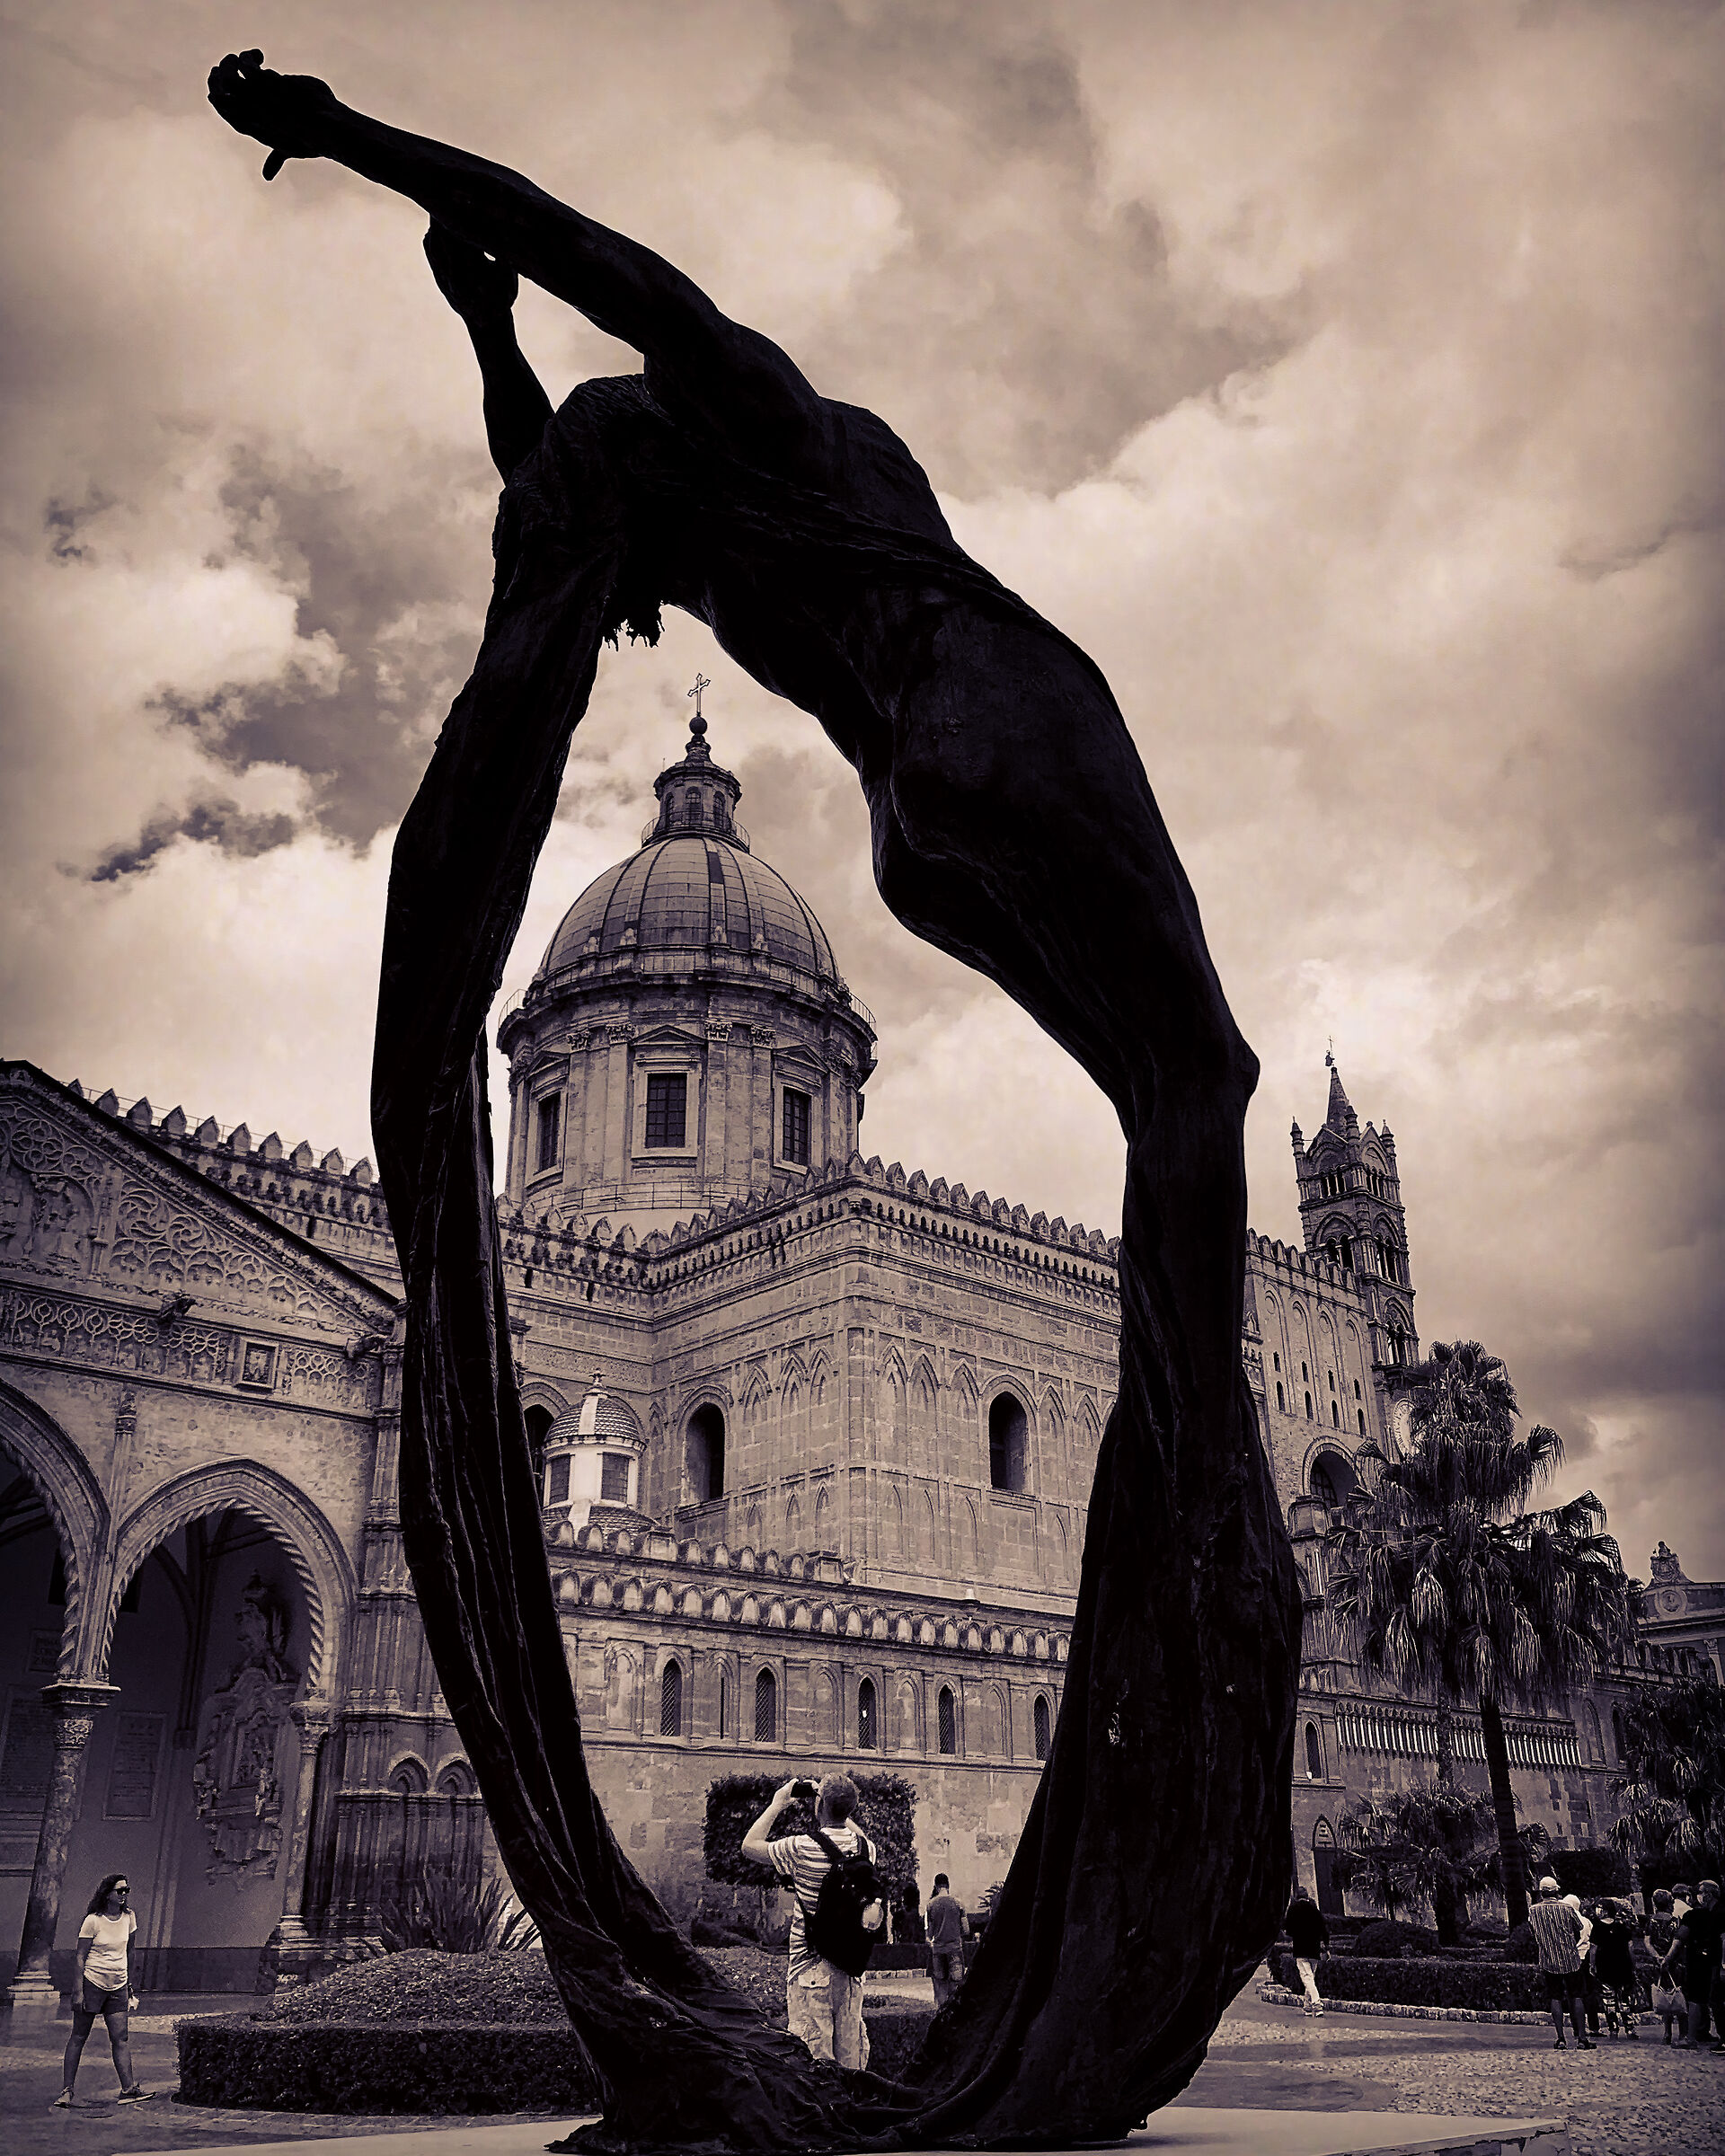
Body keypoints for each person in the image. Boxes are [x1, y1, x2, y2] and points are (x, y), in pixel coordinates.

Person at [741, 1774, 878, 2070]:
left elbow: (749, 1845)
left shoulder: (801, 1847)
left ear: (819, 1806)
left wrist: (779, 1803)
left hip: (810, 1969)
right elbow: (857, 1833)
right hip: (851, 1970)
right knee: (851, 2070)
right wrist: (830, 1799)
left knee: (814, 2070)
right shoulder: (867, 1850)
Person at [54, 1874, 151, 2107]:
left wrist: (129, 1985)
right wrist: (78, 1991)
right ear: (107, 1893)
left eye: (127, 1890)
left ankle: (128, 2089)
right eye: (120, 1891)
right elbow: (80, 1956)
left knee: (121, 2038)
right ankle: (67, 2091)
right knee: (79, 2036)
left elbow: (130, 1951)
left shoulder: (129, 1917)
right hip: (92, 1982)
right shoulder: (93, 1921)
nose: (124, 1895)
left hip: (118, 1985)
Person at [1526, 1875, 1594, 2050]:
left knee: (1555, 1997)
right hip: (1570, 1959)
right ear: (1557, 1890)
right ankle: (1582, 2038)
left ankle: (1561, 2038)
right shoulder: (1566, 1908)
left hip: (1548, 1959)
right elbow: (1579, 1929)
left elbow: (1533, 1932)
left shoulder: (1533, 1911)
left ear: (1541, 1892)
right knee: (1577, 1995)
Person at [1663, 1878, 1724, 2051]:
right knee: (1714, 2000)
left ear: (1708, 1895)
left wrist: (1667, 1959)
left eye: (1699, 1892)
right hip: (1715, 1962)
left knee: (1697, 1999)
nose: (1696, 1896)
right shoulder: (1718, 1912)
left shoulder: (1694, 1915)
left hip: (1699, 1962)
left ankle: (1691, 2037)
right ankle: (1706, 2032)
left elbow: (1679, 1939)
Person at [1590, 1899, 1641, 2037]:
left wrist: (1592, 1965)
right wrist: (1633, 1965)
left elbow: (1593, 1949)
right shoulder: (1623, 1927)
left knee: (1609, 1999)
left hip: (1605, 1967)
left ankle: (1613, 2027)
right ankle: (1629, 2027)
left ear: (1605, 1910)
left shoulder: (1597, 1927)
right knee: (1625, 1999)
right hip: (1623, 1966)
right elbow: (1631, 1948)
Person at [1646, 1889, 1686, 2045]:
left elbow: (1647, 1942)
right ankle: (1683, 2033)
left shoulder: (1651, 1921)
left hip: (1658, 1964)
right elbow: (1678, 1942)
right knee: (1679, 1995)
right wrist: (1668, 1958)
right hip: (1675, 1962)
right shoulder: (1675, 1921)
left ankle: (1667, 2033)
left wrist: (1657, 1957)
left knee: (1665, 1997)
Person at [925, 1875, 969, 2010]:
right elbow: (966, 1929)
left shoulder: (930, 1905)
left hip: (938, 1951)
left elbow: (928, 1935)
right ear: (948, 1885)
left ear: (936, 1886)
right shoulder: (958, 1904)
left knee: (941, 1990)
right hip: (955, 1948)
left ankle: (941, 2019)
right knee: (956, 1988)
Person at [1285, 1889, 1329, 2016]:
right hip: (1314, 1948)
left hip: (1300, 1948)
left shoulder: (1293, 1910)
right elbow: (1324, 1929)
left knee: (1307, 1977)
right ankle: (1307, 2006)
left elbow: (1288, 1930)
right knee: (1311, 1978)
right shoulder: (1314, 1909)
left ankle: (1316, 2004)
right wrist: (1327, 1947)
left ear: (1296, 1897)